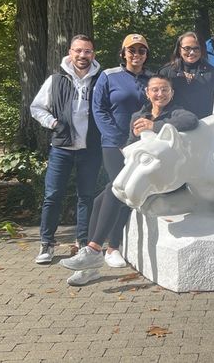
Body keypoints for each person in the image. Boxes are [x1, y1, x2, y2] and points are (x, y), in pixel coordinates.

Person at [60, 75, 199, 285]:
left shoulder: (177, 112)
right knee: (102, 198)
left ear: (172, 93)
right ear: (147, 93)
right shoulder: (138, 115)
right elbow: (129, 148)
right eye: (155, 90)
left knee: (112, 190)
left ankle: (94, 251)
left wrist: (154, 126)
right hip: (140, 173)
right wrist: (134, 137)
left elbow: (191, 121)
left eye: (164, 90)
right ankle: (91, 255)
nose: (159, 94)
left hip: (163, 178)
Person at [30, 34, 102, 264]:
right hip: (62, 148)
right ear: (70, 52)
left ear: (93, 54)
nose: (83, 55)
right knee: (52, 196)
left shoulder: (101, 79)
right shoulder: (56, 79)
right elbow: (37, 107)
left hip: (90, 149)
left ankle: (83, 243)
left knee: (86, 197)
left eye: (87, 51)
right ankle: (47, 243)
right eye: (78, 51)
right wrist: (53, 123)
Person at [90, 34, 152, 268]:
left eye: (141, 51)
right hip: (114, 144)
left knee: (109, 192)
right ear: (123, 52)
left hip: (141, 144)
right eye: (132, 50)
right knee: (121, 189)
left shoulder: (151, 77)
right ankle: (111, 247)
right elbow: (99, 110)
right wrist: (119, 141)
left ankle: (89, 241)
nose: (136, 55)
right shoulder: (108, 75)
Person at [158, 31, 214, 118]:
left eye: (196, 48)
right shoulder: (166, 73)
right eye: (187, 48)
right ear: (179, 49)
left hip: (205, 126)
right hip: (174, 124)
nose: (192, 52)